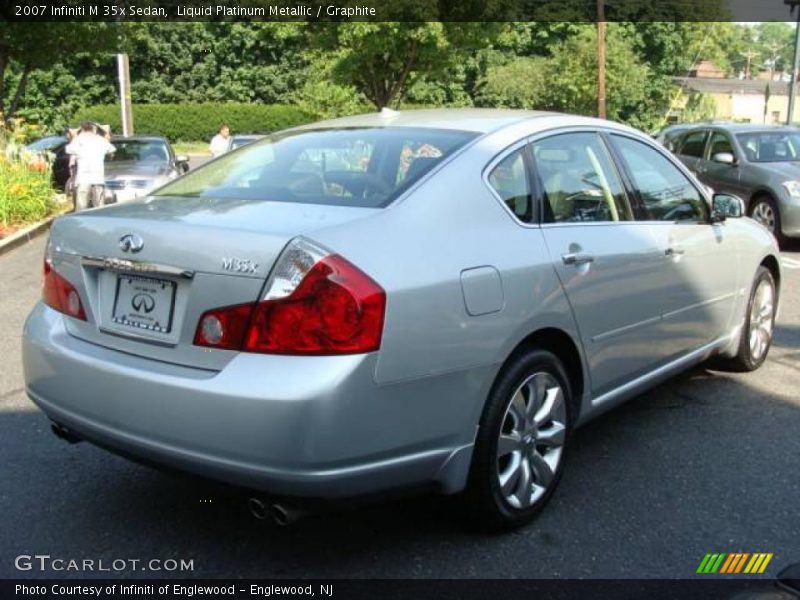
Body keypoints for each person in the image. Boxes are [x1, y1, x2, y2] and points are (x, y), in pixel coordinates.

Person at [64, 122, 115, 211]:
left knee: (81, 207)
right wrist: (106, 136)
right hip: (98, 178)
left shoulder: (78, 140)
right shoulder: (100, 140)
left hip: (83, 179)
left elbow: (68, 150)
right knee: (99, 207)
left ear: (82, 129)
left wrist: (75, 136)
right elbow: (111, 149)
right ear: (94, 129)